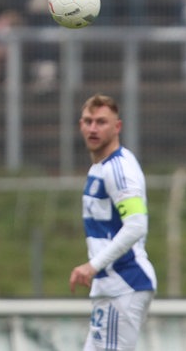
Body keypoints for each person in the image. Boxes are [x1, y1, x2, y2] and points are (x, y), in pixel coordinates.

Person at [70, 93, 157, 351]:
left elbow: (136, 224)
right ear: (80, 125)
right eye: (88, 121)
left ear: (117, 126)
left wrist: (92, 266)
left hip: (123, 283)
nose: (93, 128)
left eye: (101, 122)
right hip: (112, 286)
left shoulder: (119, 170)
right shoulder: (100, 166)